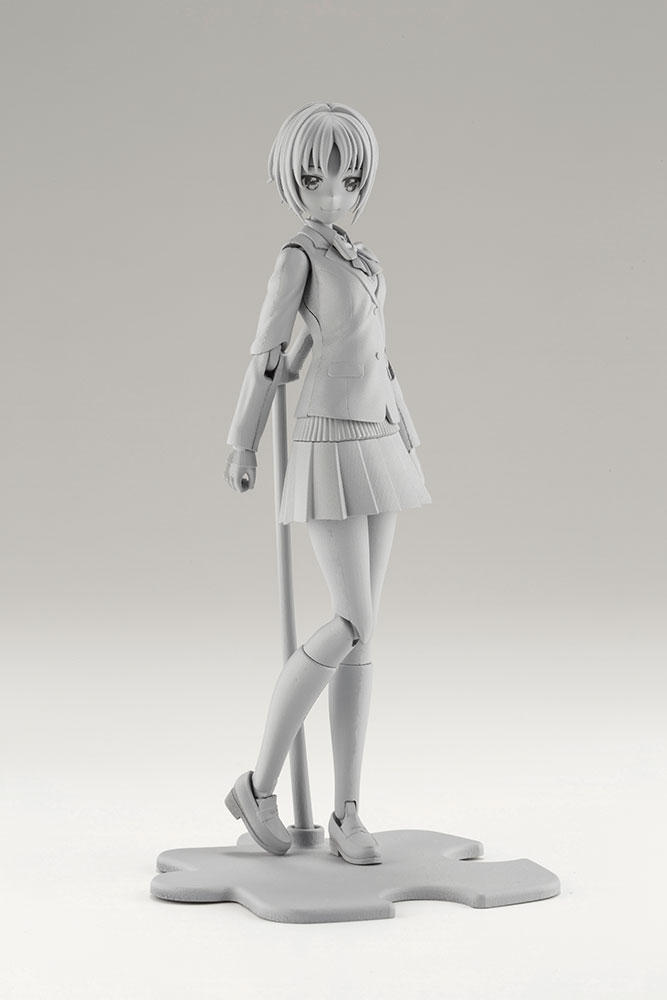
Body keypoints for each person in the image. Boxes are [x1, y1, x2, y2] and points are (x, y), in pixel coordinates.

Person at [224, 102, 430, 865]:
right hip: (327, 438)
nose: (333, 193)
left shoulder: (356, 254)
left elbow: (353, 343)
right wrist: (242, 439)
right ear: (292, 182)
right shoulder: (296, 256)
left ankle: (347, 812)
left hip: (381, 434)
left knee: (366, 632)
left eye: (347, 178)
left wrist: (406, 427)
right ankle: (258, 784)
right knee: (348, 620)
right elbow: (264, 355)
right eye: (315, 179)